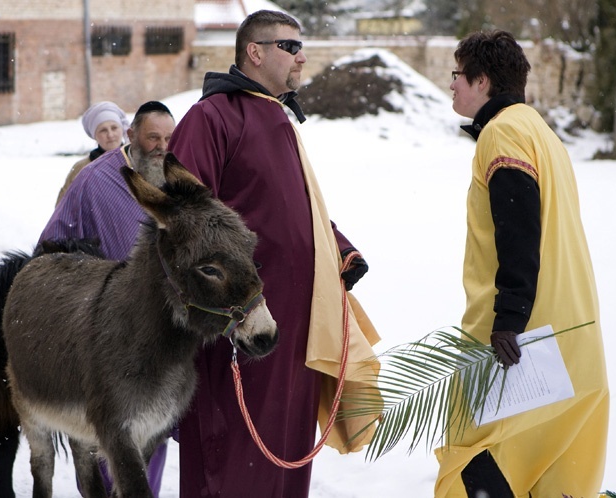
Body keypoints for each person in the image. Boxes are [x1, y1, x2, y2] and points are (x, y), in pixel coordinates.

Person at [167, 10, 380, 498]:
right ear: (254, 52)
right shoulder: (212, 117)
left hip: (298, 326)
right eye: (290, 46)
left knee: (285, 456)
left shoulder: (277, 115)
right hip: (244, 324)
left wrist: (337, 250)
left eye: (301, 46)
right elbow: (185, 219)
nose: (301, 56)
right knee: (236, 458)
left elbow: (293, 205)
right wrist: (230, 305)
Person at [434, 30, 609, 498]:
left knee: (478, 457)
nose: (451, 85)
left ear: (482, 80)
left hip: (525, 342)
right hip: (567, 330)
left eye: (457, 75)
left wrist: (508, 320)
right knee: (545, 468)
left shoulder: (504, 132)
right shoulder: (537, 129)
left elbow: (518, 230)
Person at [39, 100, 176, 496]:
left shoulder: (177, 182)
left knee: (153, 435)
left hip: (159, 338)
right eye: (153, 138)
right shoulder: (93, 180)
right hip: (104, 335)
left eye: (169, 138)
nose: (161, 147)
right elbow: (52, 245)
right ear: (131, 135)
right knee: (106, 439)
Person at [56, 101, 130, 205]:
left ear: (122, 129)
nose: (110, 134)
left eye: (114, 128)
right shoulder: (81, 169)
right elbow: (63, 208)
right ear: (94, 136)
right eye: (103, 130)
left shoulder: (135, 163)